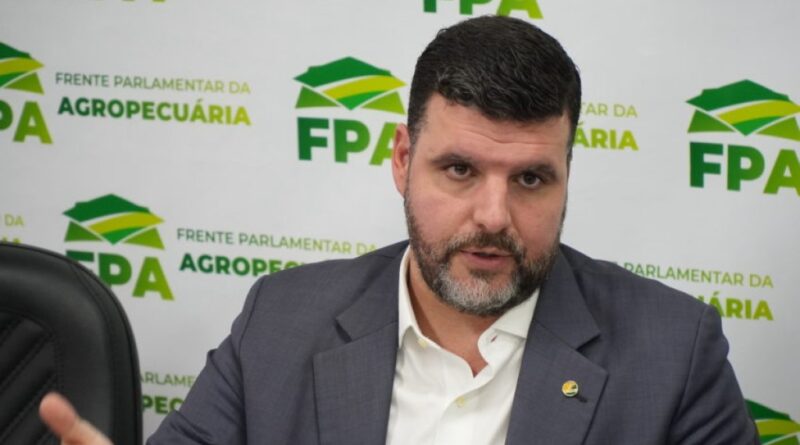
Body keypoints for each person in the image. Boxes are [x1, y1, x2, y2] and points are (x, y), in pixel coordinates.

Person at [40, 15, 759, 444]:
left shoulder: (675, 352)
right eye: (459, 169)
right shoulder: (279, 323)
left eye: (531, 179)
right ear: (403, 160)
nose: (493, 216)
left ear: (567, 175)